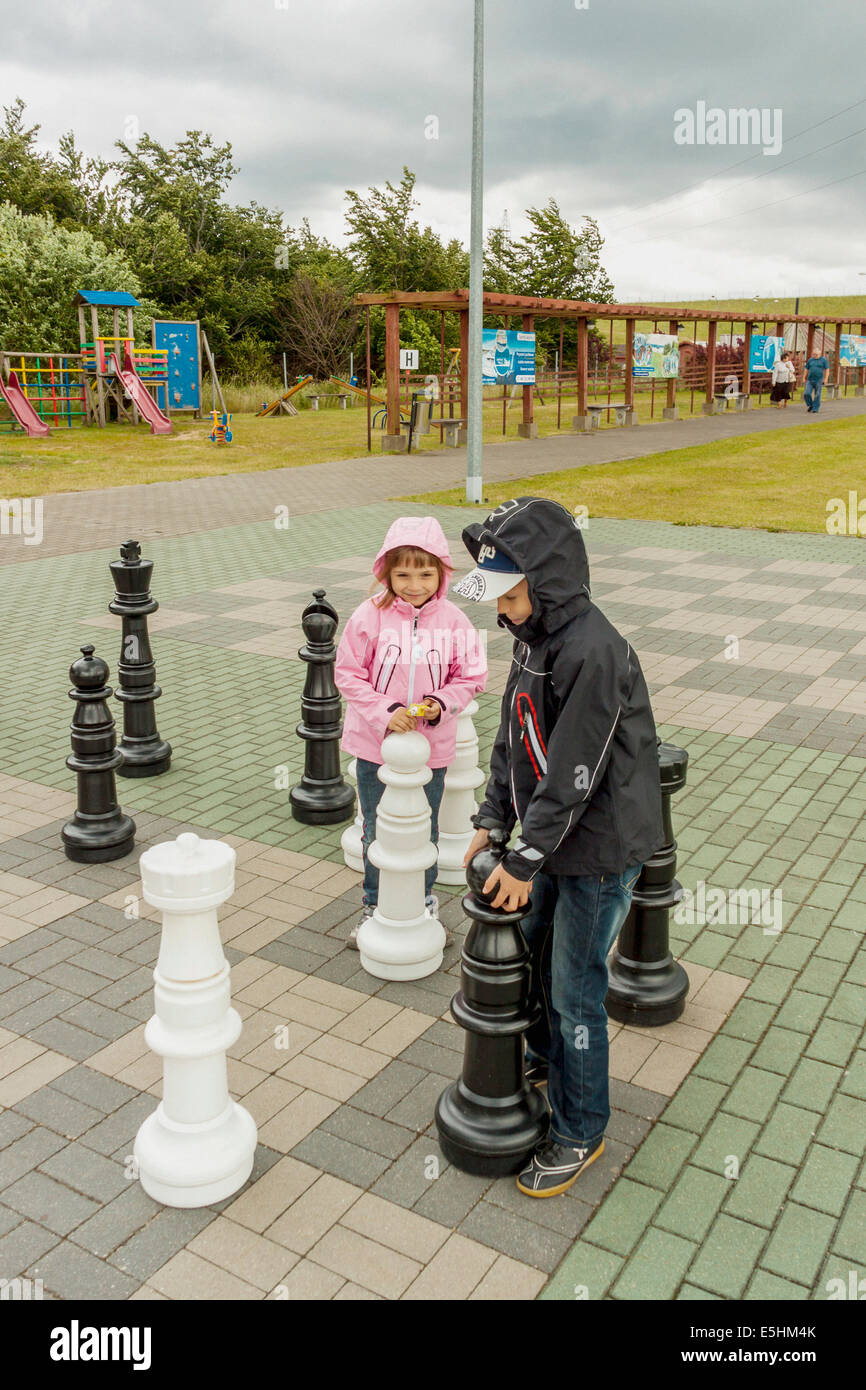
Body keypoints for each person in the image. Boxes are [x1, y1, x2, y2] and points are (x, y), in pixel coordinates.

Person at [454, 497, 665, 1197]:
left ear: (547, 581)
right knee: (539, 954)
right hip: (556, 843)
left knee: (576, 991)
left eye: (511, 596)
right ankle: (549, 1060)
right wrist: (491, 815)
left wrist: (522, 859)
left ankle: (582, 1128)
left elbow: (576, 768)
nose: (503, 611)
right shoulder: (536, 636)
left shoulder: (595, 652)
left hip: (598, 849)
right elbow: (516, 735)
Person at [335, 516, 487, 948]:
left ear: (441, 572)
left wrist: (440, 704)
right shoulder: (369, 616)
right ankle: (373, 903)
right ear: (386, 572)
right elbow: (348, 674)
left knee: (425, 829)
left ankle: (422, 900)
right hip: (374, 746)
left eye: (425, 572)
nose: (414, 583)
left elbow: (472, 675)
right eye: (403, 573)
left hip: (431, 750)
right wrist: (386, 712)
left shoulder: (455, 621)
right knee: (376, 829)